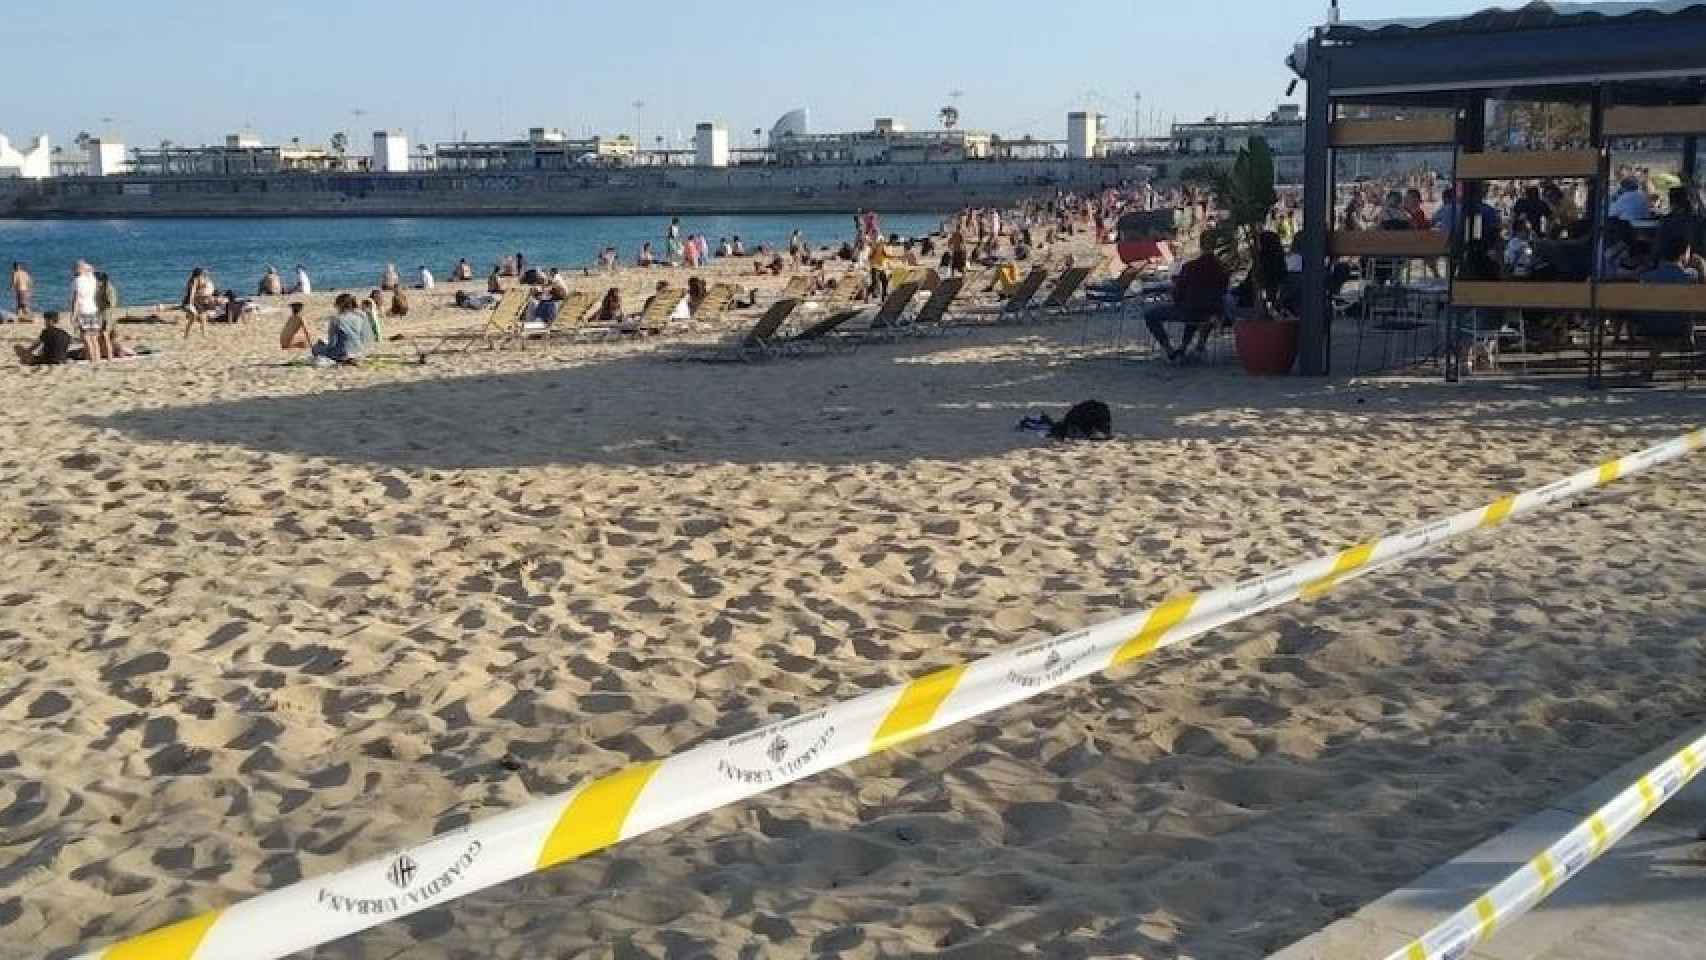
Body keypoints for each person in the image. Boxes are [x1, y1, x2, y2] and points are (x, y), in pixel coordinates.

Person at [1145, 249, 1229, 363]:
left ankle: (1169, 349)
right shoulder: (1223, 270)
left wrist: (1175, 297)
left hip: (1190, 311)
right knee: (1199, 309)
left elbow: (1178, 293)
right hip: (1214, 313)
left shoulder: (1190, 267)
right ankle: (1192, 346)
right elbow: (1223, 293)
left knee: (1150, 315)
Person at [1634, 235, 1702, 377]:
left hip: (1648, 327)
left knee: (1661, 323)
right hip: (1680, 328)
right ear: (1684, 254)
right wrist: (1701, 264)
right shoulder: (1690, 276)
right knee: (1679, 317)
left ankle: (1650, 366)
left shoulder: (1646, 277)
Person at [311, 294, 367, 364]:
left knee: (316, 347)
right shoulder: (361, 317)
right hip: (359, 351)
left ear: (340, 305)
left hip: (341, 353)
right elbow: (364, 338)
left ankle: (344, 358)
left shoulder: (336, 319)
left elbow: (332, 344)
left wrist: (323, 346)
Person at [68, 261, 102, 362]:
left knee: (86, 338)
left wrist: (73, 315)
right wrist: (87, 268)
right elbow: (92, 269)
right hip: (93, 310)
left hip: (83, 311)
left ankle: (92, 360)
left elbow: (76, 299)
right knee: (94, 339)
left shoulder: (77, 281)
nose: (73, 270)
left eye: (74, 268)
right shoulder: (92, 279)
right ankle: (97, 360)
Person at [95, 271, 119, 360]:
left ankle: (110, 357)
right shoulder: (101, 288)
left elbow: (111, 304)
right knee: (103, 336)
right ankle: (106, 354)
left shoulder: (109, 289)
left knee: (105, 336)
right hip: (103, 315)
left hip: (107, 316)